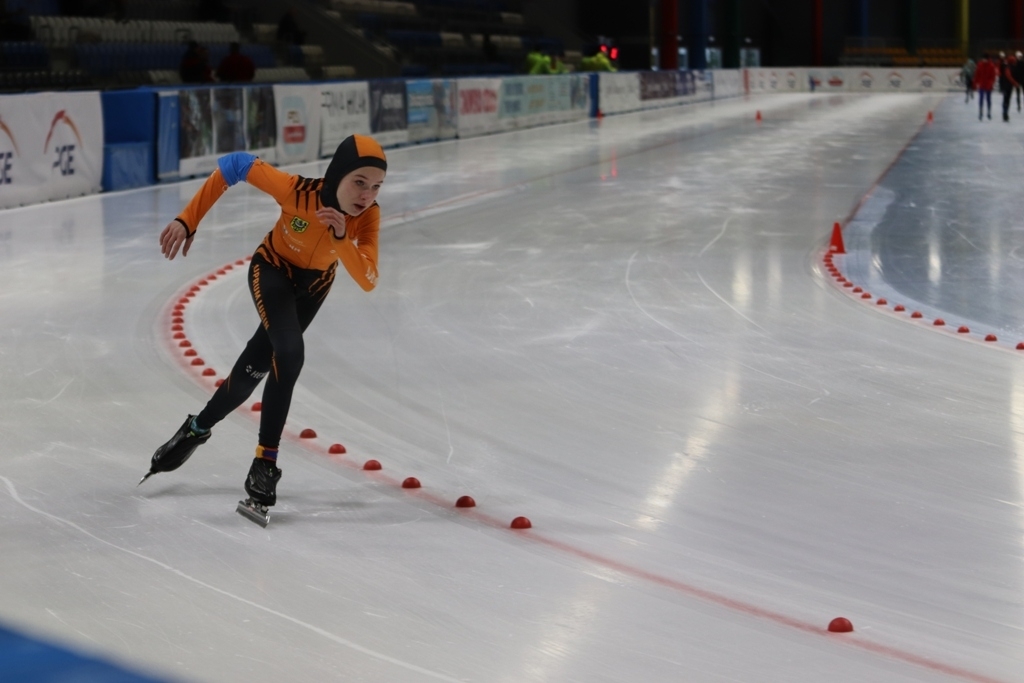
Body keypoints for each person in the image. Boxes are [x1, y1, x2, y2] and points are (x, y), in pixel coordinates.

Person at [141, 135, 388, 525]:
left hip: (313, 287)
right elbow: (234, 164)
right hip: (273, 270)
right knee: (289, 353)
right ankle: (265, 464)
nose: (367, 194)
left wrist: (342, 239)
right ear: (337, 174)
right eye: (359, 182)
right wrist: (188, 219)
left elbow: (368, 278)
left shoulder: (367, 216)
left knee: (252, 371)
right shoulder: (296, 191)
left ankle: (196, 428)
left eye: (376, 186)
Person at [974, 53, 997, 121]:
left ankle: (989, 112)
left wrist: (991, 83)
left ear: (987, 59)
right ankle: (980, 112)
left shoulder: (991, 66)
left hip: (988, 85)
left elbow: (993, 76)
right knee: (981, 99)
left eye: (985, 59)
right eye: (983, 59)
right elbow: (977, 74)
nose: (984, 60)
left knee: (988, 99)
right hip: (981, 84)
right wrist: (975, 83)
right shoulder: (980, 65)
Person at [1000, 53, 1019, 122]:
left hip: (1007, 86)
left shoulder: (1008, 67)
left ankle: (1005, 113)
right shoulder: (1009, 67)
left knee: (1006, 100)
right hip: (1008, 86)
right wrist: (1015, 83)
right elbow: (1009, 77)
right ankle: (1005, 113)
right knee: (1007, 100)